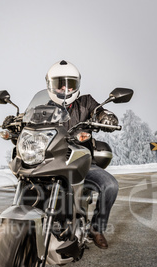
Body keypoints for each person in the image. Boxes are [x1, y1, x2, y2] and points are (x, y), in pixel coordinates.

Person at [45, 60, 119, 249]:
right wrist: (16, 121)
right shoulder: (44, 108)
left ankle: (96, 228)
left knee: (110, 185)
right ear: (50, 85)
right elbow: (29, 119)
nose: (65, 87)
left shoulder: (86, 102)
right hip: (52, 162)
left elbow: (100, 111)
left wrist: (106, 117)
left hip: (83, 163)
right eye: (60, 83)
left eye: (69, 83)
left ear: (76, 84)